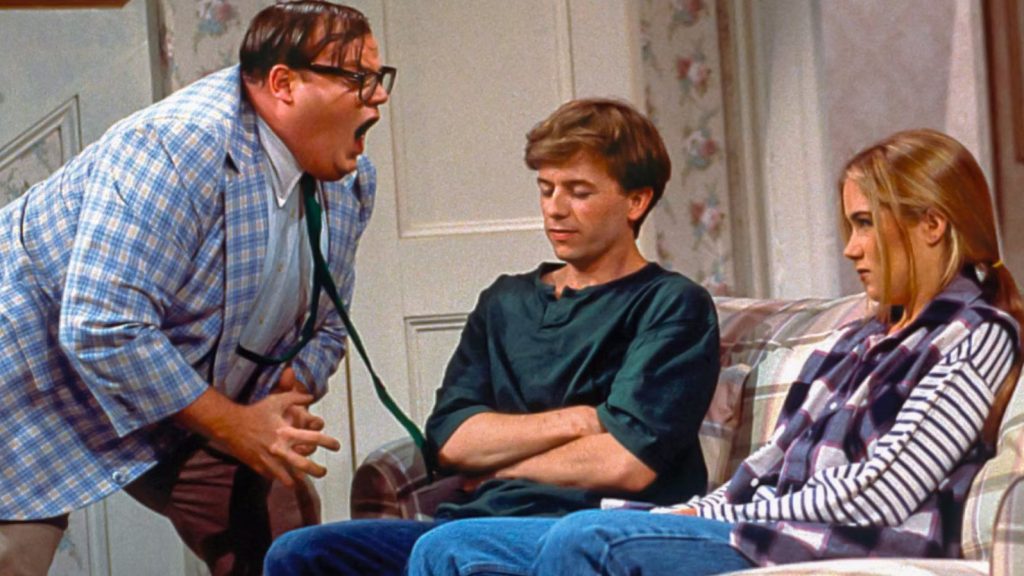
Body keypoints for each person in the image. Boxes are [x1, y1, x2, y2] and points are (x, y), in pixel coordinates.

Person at [405, 128, 1024, 576]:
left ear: (932, 225)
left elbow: (882, 491)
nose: (850, 248)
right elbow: (764, 466)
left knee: (587, 538)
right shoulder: (860, 339)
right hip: (763, 526)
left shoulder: (978, 334)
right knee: (449, 546)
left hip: (835, 542)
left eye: (864, 223)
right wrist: (689, 511)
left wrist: (719, 519)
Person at [0, 2, 394, 574]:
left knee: (284, 535)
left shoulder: (348, 181)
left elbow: (328, 324)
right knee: (14, 555)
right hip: (31, 377)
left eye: (379, 78)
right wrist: (236, 425)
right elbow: (102, 325)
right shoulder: (176, 147)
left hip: (179, 390)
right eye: (357, 78)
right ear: (284, 84)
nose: (378, 96)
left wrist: (282, 397)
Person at [264, 98, 721, 574]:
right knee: (300, 552)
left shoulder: (671, 305)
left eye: (579, 192)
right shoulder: (505, 300)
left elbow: (627, 461)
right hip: (474, 522)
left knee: (448, 547)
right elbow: (452, 440)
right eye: (546, 189)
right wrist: (583, 420)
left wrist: (505, 467)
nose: (555, 209)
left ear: (636, 201)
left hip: (586, 530)